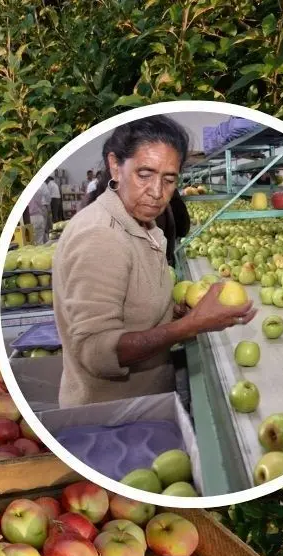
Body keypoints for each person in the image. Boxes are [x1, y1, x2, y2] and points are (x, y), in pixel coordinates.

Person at [52, 115, 257, 407]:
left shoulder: (141, 224)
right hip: (114, 418)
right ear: (115, 166)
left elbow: (131, 306)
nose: (158, 192)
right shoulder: (101, 236)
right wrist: (191, 326)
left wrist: (173, 314)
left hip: (143, 403)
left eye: (169, 179)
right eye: (144, 174)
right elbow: (96, 351)